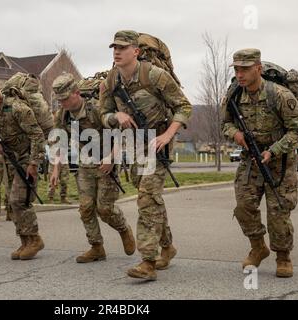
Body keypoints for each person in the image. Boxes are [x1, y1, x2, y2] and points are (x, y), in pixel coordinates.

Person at [100, 30, 192, 280]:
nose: (117, 52)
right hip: (131, 147)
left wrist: (168, 135)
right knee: (152, 200)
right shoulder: (111, 81)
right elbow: (103, 115)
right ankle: (168, 246)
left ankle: (147, 262)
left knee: (147, 199)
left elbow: (183, 107)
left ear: (136, 51)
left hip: (157, 146)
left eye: (122, 48)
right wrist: (114, 117)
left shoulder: (155, 75)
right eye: (114, 48)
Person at [221, 48, 298, 278]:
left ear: (258, 68)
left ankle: (283, 256)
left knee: (278, 210)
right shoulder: (234, 96)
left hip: (280, 161)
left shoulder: (280, 95)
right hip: (251, 160)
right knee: (243, 206)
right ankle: (258, 246)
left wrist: (274, 150)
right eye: (237, 69)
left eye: (245, 69)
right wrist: (235, 135)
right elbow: (225, 125)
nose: (240, 74)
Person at [50, 73, 135, 263]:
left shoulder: (97, 108)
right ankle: (96, 247)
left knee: (104, 209)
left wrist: (112, 158)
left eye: (65, 98)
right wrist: (55, 169)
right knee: (86, 208)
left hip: (106, 163)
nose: (62, 103)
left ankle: (123, 229)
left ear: (77, 92)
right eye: (60, 100)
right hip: (84, 164)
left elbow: (120, 133)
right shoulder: (62, 115)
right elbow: (59, 142)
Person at [0, 73, 46, 260]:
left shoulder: (17, 108)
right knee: (13, 202)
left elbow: (37, 135)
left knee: (18, 200)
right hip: (8, 160)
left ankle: (35, 239)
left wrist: (34, 163)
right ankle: (25, 241)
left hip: (25, 158)